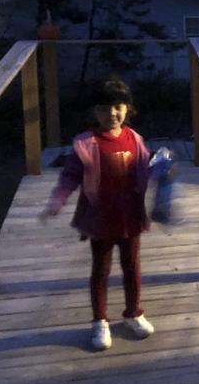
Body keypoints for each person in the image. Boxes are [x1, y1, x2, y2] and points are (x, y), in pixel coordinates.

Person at [40, 76, 155, 350]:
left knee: (132, 267)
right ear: (94, 112)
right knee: (100, 270)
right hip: (100, 219)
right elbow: (70, 177)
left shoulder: (135, 139)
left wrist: (161, 168)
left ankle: (133, 313)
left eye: (118, 106)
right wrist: (58, 201)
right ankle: (99, 322)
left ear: (128, 107)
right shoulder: (86, 143)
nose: (112, 114)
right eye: (104, 108)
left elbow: (145, 168)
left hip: (131, 216)